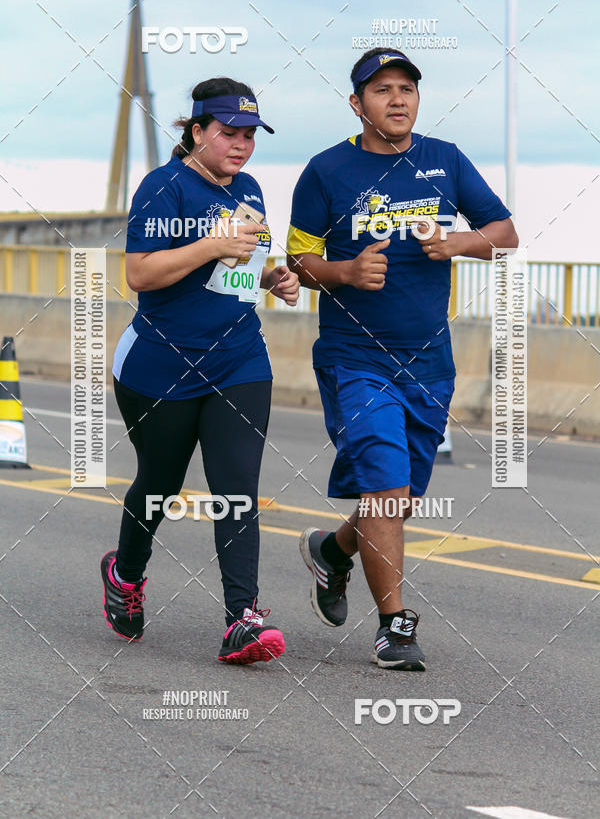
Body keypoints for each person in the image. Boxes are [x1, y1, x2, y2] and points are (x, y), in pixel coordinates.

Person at [287, 48, 518, 671]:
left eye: (407, 88)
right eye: (382, 89)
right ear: (357, 102)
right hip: (354, 357)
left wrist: (457, 242)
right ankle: (394, 627)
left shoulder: (444, 161)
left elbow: (505, 233)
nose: (397, 99)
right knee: (385, 483)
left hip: (429, 363)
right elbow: (298, 262)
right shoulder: (325, 171)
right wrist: (345, 270)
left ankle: (333, 552)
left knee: (398, 497)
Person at [101, 77, 299, 665]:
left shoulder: (253, 189)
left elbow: (240, 271)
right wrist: (212, 245)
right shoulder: (163, 187)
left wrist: (273, 277)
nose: (240, 145)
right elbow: (140, 274)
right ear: (196, 132)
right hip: (160, 364)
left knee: (236, 490)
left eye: (249, 135)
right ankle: (125, 573)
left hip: (238, 359)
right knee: (159, 486)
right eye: (228, 133)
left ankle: (243, 619)